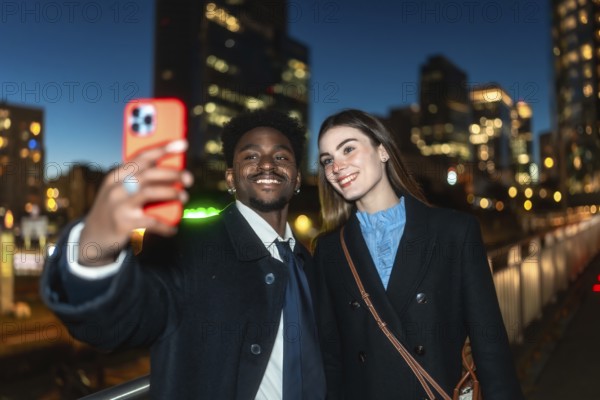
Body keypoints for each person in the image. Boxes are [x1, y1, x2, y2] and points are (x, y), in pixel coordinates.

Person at [41, 110, 326, 399]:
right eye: (251, 157)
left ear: (297, 178)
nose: (267, 164)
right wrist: (96, 250)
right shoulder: (184, 244)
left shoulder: (309, 262)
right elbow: (112, 326)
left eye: (281, 157)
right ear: (230, 178)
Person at [313, 109, 524, 400]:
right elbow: (331, 357)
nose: (337, 166)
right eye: (327, 160)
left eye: (348, 149)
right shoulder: (329, 249)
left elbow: (489, 343)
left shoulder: (454, 231)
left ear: (383, 151)